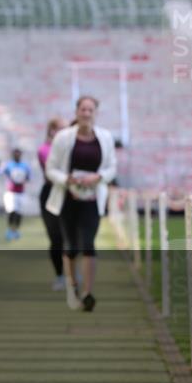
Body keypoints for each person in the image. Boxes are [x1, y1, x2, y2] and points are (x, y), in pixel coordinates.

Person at [44, 96, 117, 313]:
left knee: (88, 243)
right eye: (83, 109)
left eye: (90, 109)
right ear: (77, 112)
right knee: (71, 246)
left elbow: (112, 167)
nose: (86, 113)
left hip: (93, 200)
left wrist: (99, 177)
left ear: (96, 112)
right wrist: (67, 179)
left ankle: (87, 293)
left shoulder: (105, 137)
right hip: (68, 199)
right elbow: (51, 168)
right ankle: (72, 288)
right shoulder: (63, 138)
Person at [39, 118, 67, 290]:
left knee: (71, 237)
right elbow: (53, 170)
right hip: (51, 194)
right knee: (56, 238)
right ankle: (60, 274)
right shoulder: (44, 150)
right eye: (57, 129)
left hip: (70, 195)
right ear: (51, 131)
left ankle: (71, 271)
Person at [0, 148, 31, 241]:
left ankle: (16, 230)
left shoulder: (25, 166)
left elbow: (28, 177)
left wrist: (22, 180)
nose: (17, 155)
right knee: (11, 212)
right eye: (15, 154)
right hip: (11, 192)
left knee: (19, 213)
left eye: (19, 154)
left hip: (21, 192)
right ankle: (10, 230)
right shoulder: (8, 165)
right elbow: (0, 172)